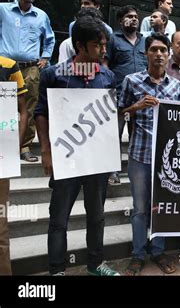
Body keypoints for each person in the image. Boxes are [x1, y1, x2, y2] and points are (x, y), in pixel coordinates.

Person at [35, 16, 119, 276]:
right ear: (79, 45)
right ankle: (57, 270)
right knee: (59, 219)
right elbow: (41, 113)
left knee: (97, 216)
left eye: (104, 44)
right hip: (66, 158)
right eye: (97, 45)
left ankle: (95, 265)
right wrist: (46, 151)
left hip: (96, 161)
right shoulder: (53, 74)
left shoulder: (107, 77)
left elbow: (111, 117)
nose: (104, 50)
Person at [119, 32, 180, 275]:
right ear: (145, 53)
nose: (158, 54)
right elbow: (118, 113)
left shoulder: (176, 86)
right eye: (154, 50)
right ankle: (137, 255)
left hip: (166, 161)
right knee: (140, 209)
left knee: (162, 207)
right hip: (139, 155)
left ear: (169, 55)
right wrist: (135, 107)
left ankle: (158, 251)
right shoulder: (131, 81)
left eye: (163, 51)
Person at [0, 0, 55, 162]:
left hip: (30, 69)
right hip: (4, 68)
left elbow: (50, 39)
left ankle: (24, 147)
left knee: (29, 108)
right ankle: (3, 144)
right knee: (3, 107)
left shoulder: (41, 16)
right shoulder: (3, 10)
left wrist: (45, 57)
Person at [104, 5, 148, 185]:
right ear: (121, 21)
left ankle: (135, 172)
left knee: (137, 136)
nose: (134, 19)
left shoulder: (146, 41)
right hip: (119, 96)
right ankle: (112, 171)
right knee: (115, 134)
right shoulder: (113, 40)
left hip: (141, 97)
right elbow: (105, 65)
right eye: (129, 16)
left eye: (136, 16)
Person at [0, 56, 28, 275]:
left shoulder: (8, 66)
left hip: (1, 158)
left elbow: (22, 110)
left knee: (0, 229)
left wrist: (13, 147)